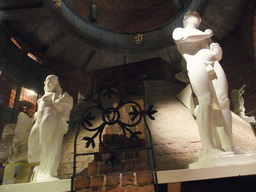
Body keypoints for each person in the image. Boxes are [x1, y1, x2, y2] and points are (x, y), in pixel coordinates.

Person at [172, 11, 234, 160]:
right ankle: (208, 147)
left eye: (198, 17)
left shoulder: (206, 35)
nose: (195, 16)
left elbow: (213, 52)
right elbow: (183, 38)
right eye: (192, 15)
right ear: (185, 19)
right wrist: (206, 35)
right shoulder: (179, 31)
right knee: (206, 100)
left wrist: (217, 52)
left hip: (213, 63)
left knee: (224, 101)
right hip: (196, 64)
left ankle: (229, 146)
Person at [28, 75, 73, 182]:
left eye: (52, 81)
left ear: (56, 84)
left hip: (50, 122)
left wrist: (60, 104)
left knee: (49, 146)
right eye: (47, 81)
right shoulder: (42, 98)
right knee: (35, 146)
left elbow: (65, 106)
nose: (49, 83)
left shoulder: (57, 96)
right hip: (39, 123)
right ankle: (37, 172)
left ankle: (47, 172)